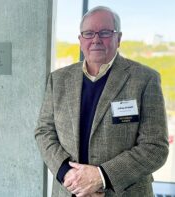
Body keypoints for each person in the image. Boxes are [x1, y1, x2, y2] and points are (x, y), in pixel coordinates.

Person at [34, 6, 169, 197]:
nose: (96, 39)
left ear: (118, 38)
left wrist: (101, 176)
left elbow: (155, 147)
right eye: (88, 33)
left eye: (105, 32)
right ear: (80, 40)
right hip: (69, 190)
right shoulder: (58, 79)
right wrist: (67, 173)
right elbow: (44, 132)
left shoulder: (144, 79)